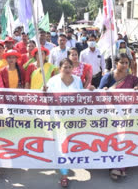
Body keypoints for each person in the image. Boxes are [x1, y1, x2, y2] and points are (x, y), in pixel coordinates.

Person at [98, 53, 138, 181]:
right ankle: (113, 165)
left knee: (124, 139)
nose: (124, 65)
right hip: (110, 114)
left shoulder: (131, 78)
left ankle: (120, 166)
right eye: (122, 62)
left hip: (126, 114)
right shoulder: (108, 76)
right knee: (113, 139)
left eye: (126, 63)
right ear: (116, 63)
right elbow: (98, 92)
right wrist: (105, 90)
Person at [44, 58, 83, 187]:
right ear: (60, 68)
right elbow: (43, 98)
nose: (67, 70)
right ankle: (64, 174)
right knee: (62, 145)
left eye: (69, 67)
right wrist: (44, 91)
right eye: (64, 67)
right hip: (57, 119)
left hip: (73, 119)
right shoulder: (52, 81)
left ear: (73, 68)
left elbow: (83, 97)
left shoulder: (77, 80)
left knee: (73, 144)